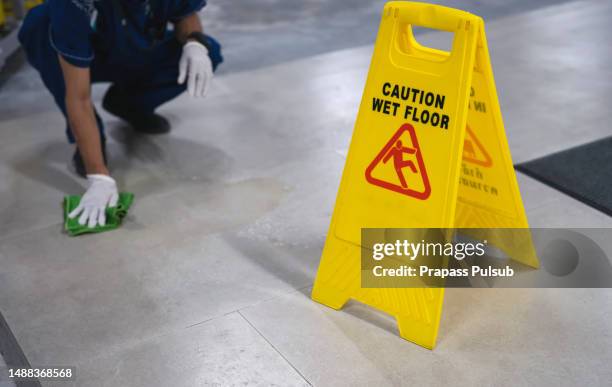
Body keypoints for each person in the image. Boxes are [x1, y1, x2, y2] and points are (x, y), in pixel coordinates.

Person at [18, 0, 223, 228]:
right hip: (82, 50)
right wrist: (99, 176)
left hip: (134, 43)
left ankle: (128, 105)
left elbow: (185, 12)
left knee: (209, 51)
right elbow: (79, 98)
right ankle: (88, 142)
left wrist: (194, 44)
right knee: (39, 24)